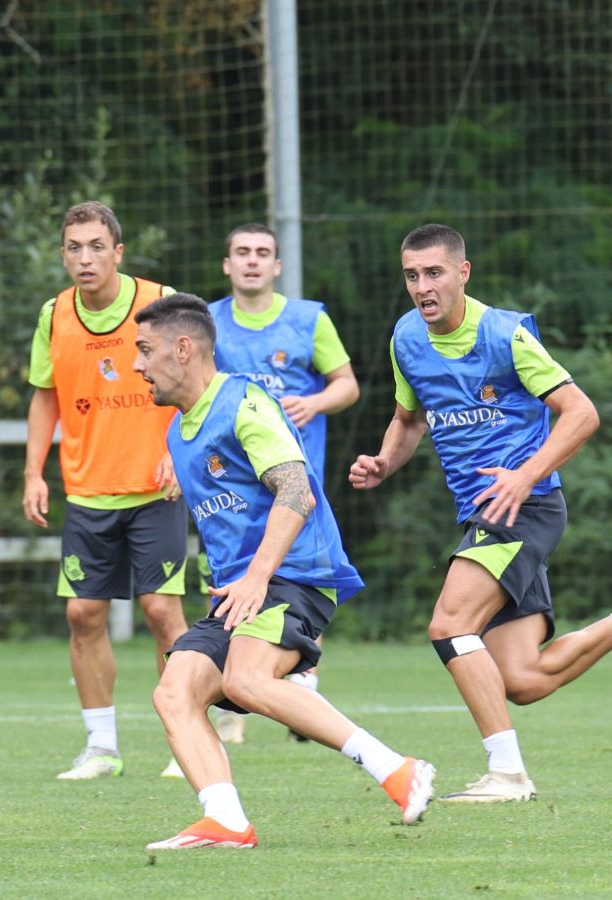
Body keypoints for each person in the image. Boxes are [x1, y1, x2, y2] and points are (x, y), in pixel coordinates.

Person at [349, 223, 612, 803]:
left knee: (450, 625)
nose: (422, 286)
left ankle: (507, 775)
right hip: (486, 512)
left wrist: (524, 475)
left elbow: (581, 413)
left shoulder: (505, 335)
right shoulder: (406, 338)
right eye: (411, 275)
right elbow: (408, 419)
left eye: (434, 273)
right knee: (522, 679)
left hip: (524, 507)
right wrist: (382, 462)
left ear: (462, 272)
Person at [133, 294, 434, 849]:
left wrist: (254, 576)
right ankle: (224, 820)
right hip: (242, 592)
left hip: (294, 573)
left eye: (144, 350)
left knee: (247, 680)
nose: (136, 364)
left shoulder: (245, 402)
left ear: (182, 349)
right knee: (174, 693)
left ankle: (396, 767)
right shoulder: (179, 431)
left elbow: (297, 492)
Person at [23, 201, 189, 780]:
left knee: (162, 610)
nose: (85, 258)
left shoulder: (160, 303)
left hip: (154, 488)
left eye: (97, 246)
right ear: (64, 254)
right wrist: (32, 472)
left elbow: (199, 383)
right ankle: (101, 748)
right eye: (75, 247)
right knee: (83, 614)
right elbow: (44, 395)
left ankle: (185, 739)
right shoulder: (54, 315)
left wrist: (179, 452)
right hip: (88, 493)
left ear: (119, 252)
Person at [205, 223, 360, 744]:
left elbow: (347, 384)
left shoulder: (307, 320)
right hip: (228, 487)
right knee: (230, 573)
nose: (252, 260)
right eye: (242, 252)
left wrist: (315, 401)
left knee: (299, 578)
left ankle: (301, 677)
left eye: (263, 253)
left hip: (293, 483)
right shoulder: (208, 323)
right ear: (227, 265)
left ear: (277, 266)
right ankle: (231, 706)